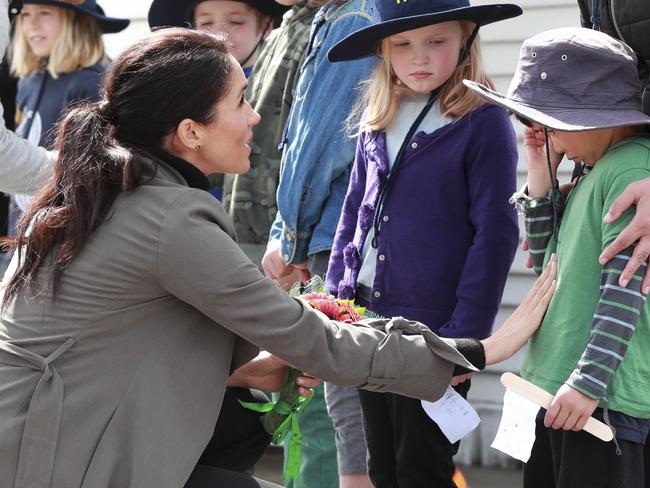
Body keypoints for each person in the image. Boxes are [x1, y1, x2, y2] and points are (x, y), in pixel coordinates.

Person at [0, 27, 558, 488]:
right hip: (56, 458)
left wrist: (247, 369)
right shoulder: (168, 218)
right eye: (242, 101)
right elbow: (311, 337)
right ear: (191, 132)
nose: (257, 119)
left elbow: (119, 339)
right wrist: (476, 351)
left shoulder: (120, 189)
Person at [325, 0, 521, 486]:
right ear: (383, 51)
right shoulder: (377, 117)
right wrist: (331, 300)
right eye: (403, 44)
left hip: (433, 333)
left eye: (437, 41)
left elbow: (495, 234)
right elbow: (352, 213)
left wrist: (463, 339)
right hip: (367, 320)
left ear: (466, 39)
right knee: (382, 464)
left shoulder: (483, 122)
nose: (420, 57)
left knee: (423, 466)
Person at [467, 27, 650, 488]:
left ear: (594, 116)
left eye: (551, 123)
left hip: (600, 400)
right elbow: (546, 259)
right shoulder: (594, 166)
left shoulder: (630, 168)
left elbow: (623, 289)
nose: (544, 134)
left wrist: (588, 382)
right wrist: (541, 174)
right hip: (556, 386)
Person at [261, 1, 377, 486]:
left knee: (339, 405)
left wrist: (289, 238)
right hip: (329, 235)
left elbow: (320, 145)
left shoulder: (353, 20)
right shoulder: (330, 17)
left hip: (334, 240)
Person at [222, 0, 320, 266]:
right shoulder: (281, 33)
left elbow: (318, 149)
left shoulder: (334, 29)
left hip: (289, 240)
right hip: (247, 227)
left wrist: (290, 235)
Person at [147, 0, 288, 78]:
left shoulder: (283, 84)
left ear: (266, 26)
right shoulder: (181, 89)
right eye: (206, 23)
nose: (219, 33)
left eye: (236, 22)